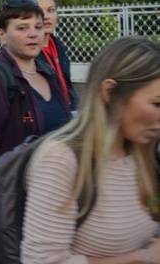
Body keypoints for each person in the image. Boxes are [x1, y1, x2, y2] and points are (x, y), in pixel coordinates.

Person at [21, 36, 160, 263]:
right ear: (109, 92)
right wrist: (142, 257)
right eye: (156, 104)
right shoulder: (60, 159)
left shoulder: (145, 152)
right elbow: (42, 260)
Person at [0, 0, 71, 263]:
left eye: (37, 26)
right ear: (1, 34)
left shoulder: (48, 73)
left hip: (54, 207)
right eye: (22, 28)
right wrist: (4, 208)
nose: (34, 33)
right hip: (14, 213)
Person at [22, 0, 80, 106]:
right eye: (40, 11)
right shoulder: (24, 52)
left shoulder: (58, 44)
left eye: (51, 10)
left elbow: (66, 84)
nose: (47, 17)